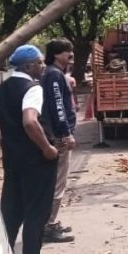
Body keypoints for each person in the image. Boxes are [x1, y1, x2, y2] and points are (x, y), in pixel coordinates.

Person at [0, 44, 59, 254]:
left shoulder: (2, 89)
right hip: (36, 161)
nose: (43, 66)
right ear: (28, 66)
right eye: (39, 62)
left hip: (13, 161)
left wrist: (4, 144)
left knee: (12, 213)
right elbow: (30, 121)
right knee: (36, 214)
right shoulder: (32, 88)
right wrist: (47, 148)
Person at [40, 39, 77, 243]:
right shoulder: (54, 75)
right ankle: (49, 225)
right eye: (66, 51)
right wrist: (65, 133)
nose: (70, 54)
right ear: (56, 55)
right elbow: (58, 107)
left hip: (55, 134)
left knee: (56, 180)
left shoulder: (55, 74)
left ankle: (50, 222)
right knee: (58, 182)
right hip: (58, 137)